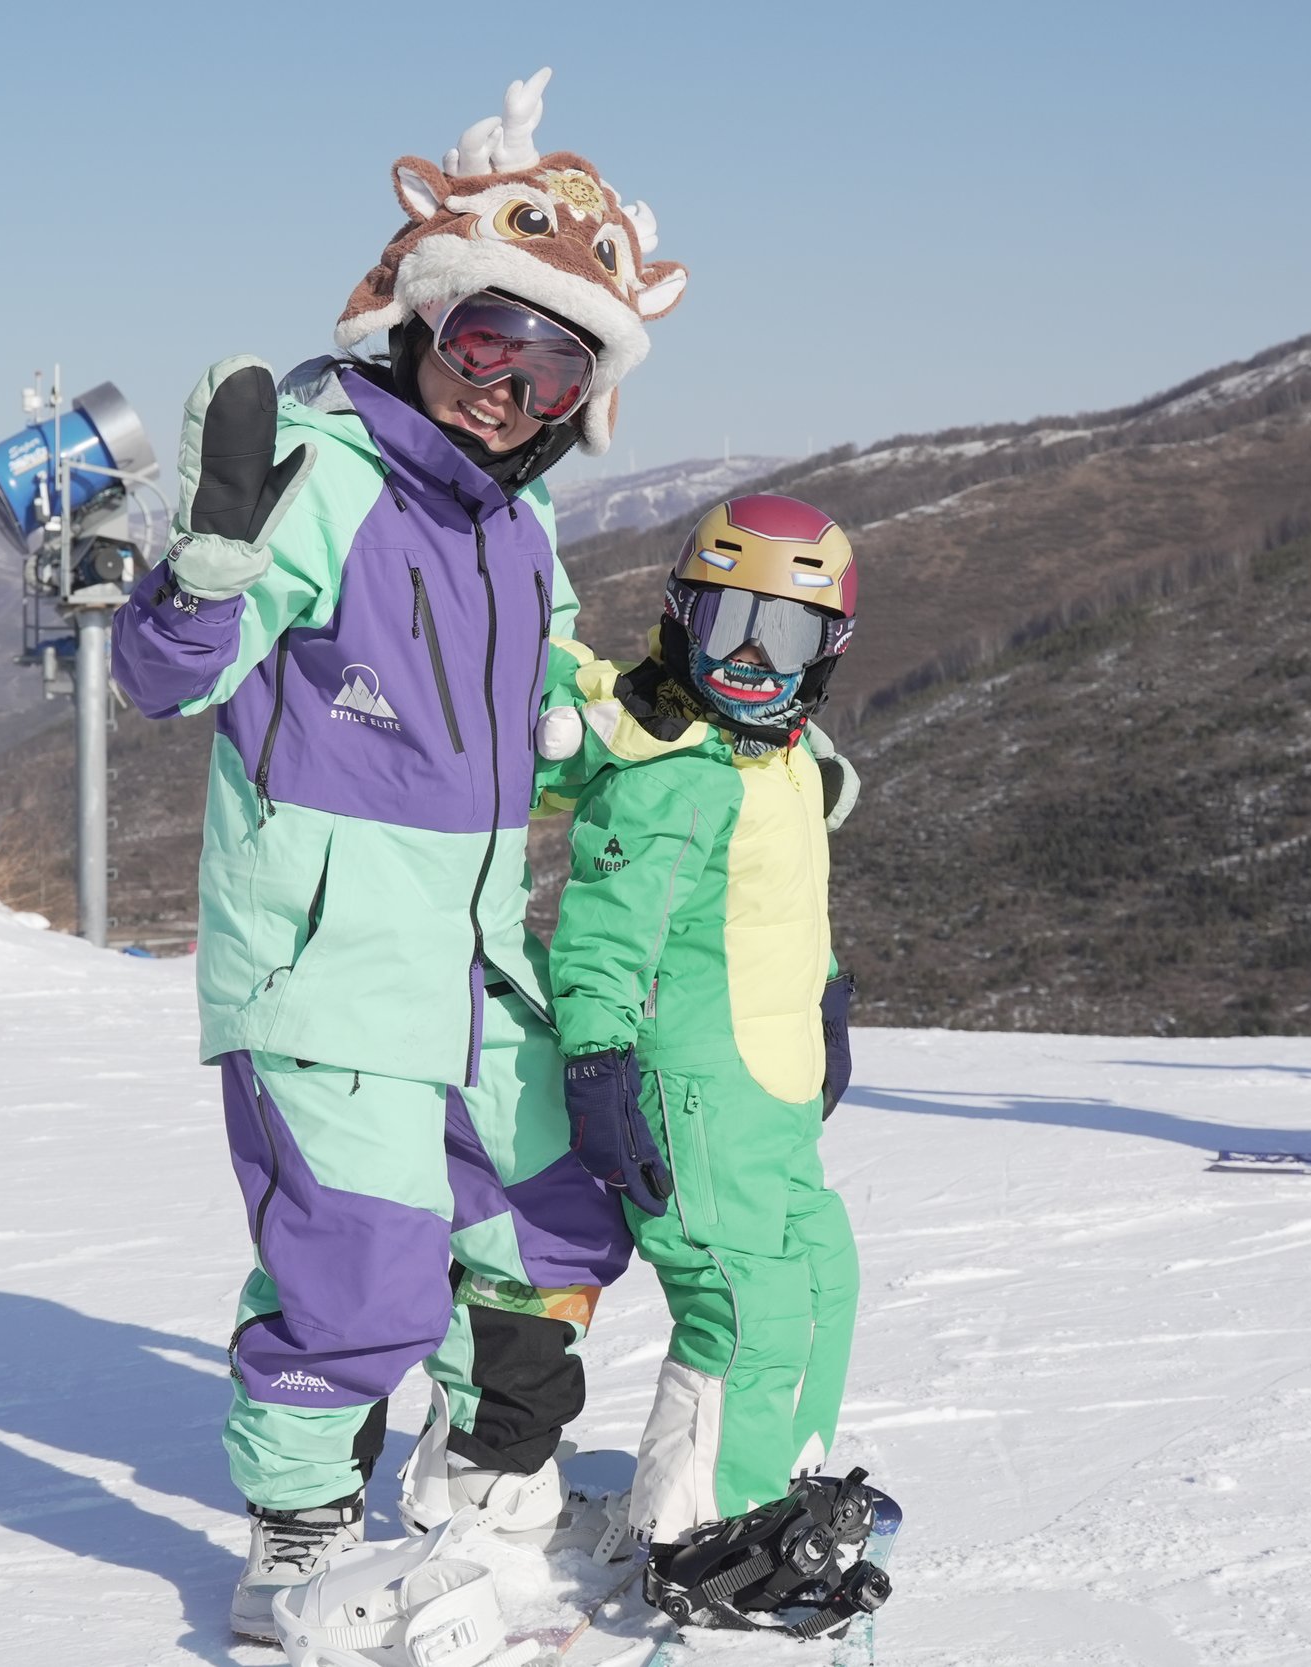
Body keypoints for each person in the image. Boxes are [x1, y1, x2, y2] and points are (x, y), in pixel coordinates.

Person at [104, 69, 690, 1640]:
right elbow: (167, 681)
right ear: (424, 323)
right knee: (358, 1275)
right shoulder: (324, 469)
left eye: (556, 366)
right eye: (490, 339)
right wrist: (203, 571)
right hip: (330, 959)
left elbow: (552, 695)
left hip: (478, 952)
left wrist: (648, 728)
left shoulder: (516, 526)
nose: (511, 387)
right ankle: (296, 1542)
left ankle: (485, 1490)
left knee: (562, 1217)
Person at [547, 494, 892, 1637]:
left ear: (825, 652)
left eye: (781, 633)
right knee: (741, 1309)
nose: (749, 656)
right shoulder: (675, 772)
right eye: (725, 622)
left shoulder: (788, 761)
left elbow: (791, 899)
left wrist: (830, 992)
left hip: (772, 1086)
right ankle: (702, 1543)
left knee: (820, 1273)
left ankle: (778, 1491)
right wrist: (596, 1063)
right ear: (677, 621)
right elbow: (602, 931)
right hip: (691, 1088)